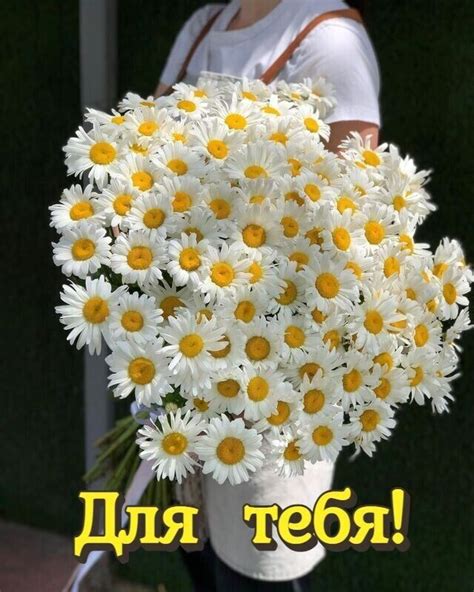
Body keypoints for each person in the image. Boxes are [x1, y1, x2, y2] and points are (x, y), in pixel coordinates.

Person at [153, 1, 380, 589]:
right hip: (182, 356)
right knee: (197, 552)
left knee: (256, 572)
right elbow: (145, 155)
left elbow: (344, 228)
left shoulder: (329, 42)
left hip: (271, 378)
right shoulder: (201, 25)